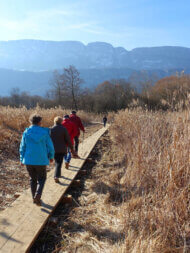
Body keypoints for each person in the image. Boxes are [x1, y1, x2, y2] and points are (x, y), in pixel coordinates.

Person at [19, 114, 55, 206]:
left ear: (31, 122)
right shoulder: (45, 132)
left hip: (29, 160)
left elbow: (22, 147)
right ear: (40, 122)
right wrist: (51, 157)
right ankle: (38, 195)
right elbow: (50, 146)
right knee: (42, 179)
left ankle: (34, 198)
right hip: (41, 160)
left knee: (32, 179)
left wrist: (21, 158)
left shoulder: (26, 132)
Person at [50, 116, 75, 183]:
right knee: (59, 162)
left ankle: (58, 174)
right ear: (61, 121)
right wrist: (72, 148)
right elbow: (68, 140)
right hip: (61, 149)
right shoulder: (63, 129)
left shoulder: (51, 129)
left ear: (55, 121)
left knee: (57, 162)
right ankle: (56, 176)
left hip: (53, 149)